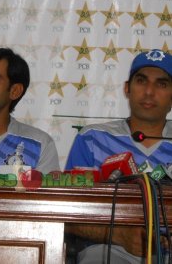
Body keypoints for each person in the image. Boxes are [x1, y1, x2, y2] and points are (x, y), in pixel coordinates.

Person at [65, 49, 172, 263]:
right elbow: (68, 213)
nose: (149, 92)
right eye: (141, 81)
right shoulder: (92, 139)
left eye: (161, 84)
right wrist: (117, 235)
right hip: (111, 249)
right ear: (127, 89)